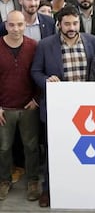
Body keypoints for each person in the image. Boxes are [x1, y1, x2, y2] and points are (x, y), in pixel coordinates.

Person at [31, 5, 95, 208]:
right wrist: (47, 81)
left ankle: (84, 188)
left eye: (75, 23)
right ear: (59, 24)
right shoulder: (45, 45)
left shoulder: (92, 41)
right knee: (54, 150)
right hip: (57, 108)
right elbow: (35, 71)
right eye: (67, 23)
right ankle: (48, 190)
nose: (71, 27)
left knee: (87, 149)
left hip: (87, 109)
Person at [0, 11, 40, 203]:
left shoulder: (34, 46)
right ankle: (4, 180)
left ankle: (33, 181)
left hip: (28, 107)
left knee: (31, 147)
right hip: (4, 108)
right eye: (12, 25)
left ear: (25, 25)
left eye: (20, 25)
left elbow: (40, 73)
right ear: (6, 25)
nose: (16, 29)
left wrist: (37, 99)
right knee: (3, 147)